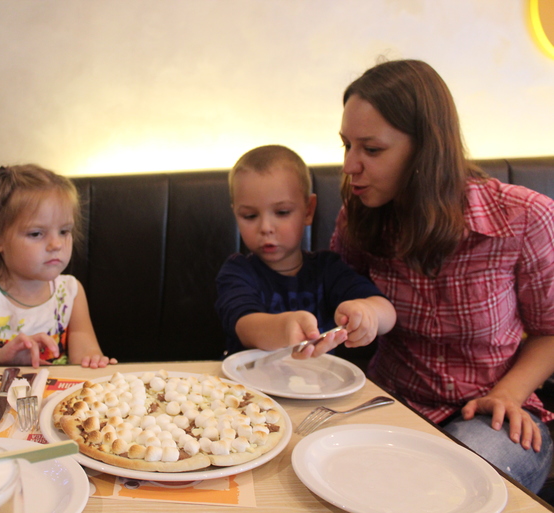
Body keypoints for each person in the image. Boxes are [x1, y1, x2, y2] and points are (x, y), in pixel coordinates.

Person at [330, 58, 554, 492]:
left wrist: (508, 394)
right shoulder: (359, 216)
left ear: (426, 148)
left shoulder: (525, 217)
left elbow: (550, 331)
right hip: (390, 403)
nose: (350, 165)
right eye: (346, 145)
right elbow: (338, 298)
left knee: (444, 486)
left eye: (371, 150)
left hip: (493, 413)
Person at [0, 164, 117, 368]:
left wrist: (93, 359)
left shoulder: (70, 292)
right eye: (36, 233)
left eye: (64, 231)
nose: (56, 244)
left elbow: (85, 354)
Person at [215, 144, 396, 358]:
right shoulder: (237, 272)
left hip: (318, 379)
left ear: (308, 210)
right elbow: (245, 325)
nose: (265, 227)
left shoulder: (327, 269)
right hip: (245, 379)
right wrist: (284, 327)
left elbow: (387, 312)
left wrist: (367, 313)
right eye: (249, 216)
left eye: (282, 212)